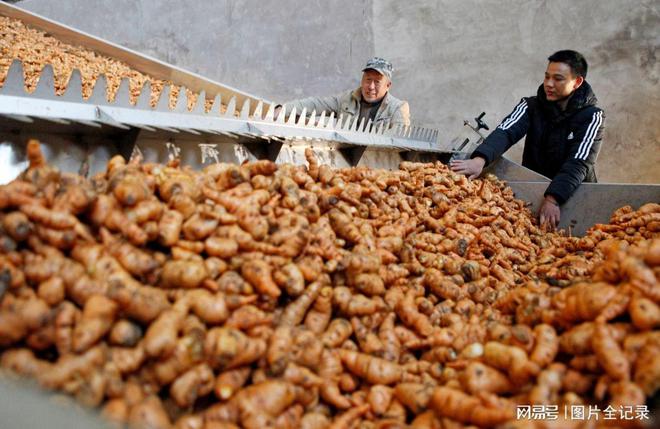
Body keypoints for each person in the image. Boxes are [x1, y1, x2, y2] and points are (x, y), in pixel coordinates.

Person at [450, 50, 605, 229]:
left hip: (572, 197)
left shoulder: (592, 117)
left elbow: (579, 162)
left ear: (577, 82)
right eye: (547, 77)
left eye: (558, 78)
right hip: (533, 193)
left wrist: (553, 199)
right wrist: (479, 159)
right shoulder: (531, 106)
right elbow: (506, 132)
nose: (549, 84)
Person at [278, 57, 410, 128]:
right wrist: (282, 110)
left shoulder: (397, 108)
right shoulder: (348, 99)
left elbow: (398, 145)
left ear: (388, 86)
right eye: (368, 79)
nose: (370, 86)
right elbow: (316, 104)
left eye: (377, 82)